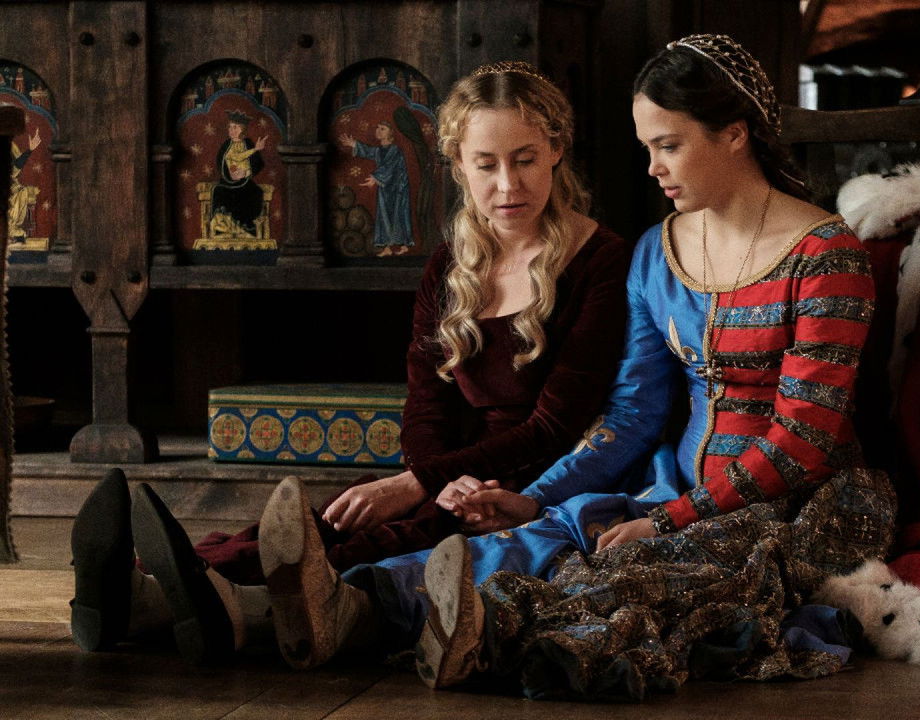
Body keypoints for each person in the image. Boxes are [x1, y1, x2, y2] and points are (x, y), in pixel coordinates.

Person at [257, 35, 896, 700]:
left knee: (634, 570)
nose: (652, 167)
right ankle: (352, 608)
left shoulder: (825, 254)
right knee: (549, 531)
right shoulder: (658, 251)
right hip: (673, 484)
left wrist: (671, 518)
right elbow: (634, 413)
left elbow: (800, 444)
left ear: (734, 134)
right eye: (646, 147)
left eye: (668, 146)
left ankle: (471, 638)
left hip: (802, 503)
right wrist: (535, 497)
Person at [69, 61, 631, 664]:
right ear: (457, 164)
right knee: (332, 522)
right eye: (486, 165)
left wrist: (420, 485)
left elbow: (556, 424)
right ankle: (141, 591)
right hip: (446, 468)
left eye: (524, 160)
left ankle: (185, 603)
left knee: (391, 541)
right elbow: (426, 402)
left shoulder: (599, 259)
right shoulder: (452, 262)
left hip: (534, 474)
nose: (507, 185)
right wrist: (422, 476)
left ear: (556, 150)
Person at [339, 121, 415, 256]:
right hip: (385, 188)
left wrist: (375, 178)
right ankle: (387, 248)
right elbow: (369, 151)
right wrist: (354, 144)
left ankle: (404, 245)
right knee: (384, 216)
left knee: (398, 215)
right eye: (378, 128)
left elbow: (390, 166)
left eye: (383, 128)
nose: (378, 130)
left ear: (390, 133)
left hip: (398, 189)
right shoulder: (379, 150)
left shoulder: (395, 150)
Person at [210, 111, 268, 237]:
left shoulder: (248, 143)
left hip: (245, 182)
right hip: (227, 183)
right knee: (218, 191)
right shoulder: (226, 145)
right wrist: (230, 174)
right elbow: (223, 161)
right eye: (230, 127)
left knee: (256, 192)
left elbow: (258, 163)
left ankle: (247, 228)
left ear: (242, 129)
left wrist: (246, 173)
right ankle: (223, 227)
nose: (231, 130)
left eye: (235, 127)